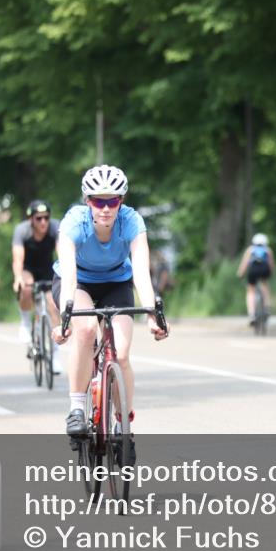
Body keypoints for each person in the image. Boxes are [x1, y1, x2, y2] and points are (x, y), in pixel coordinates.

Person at [51, 165, 168, 456]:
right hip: (77, 283)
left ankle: (122, 424)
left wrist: (153, 312)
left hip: (117, 282)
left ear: (122, 200)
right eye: (97, 201)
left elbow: (141, 272)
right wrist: (66, 319)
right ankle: (77, 408)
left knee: (123, 352)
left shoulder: (131, 222)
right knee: (87, 329)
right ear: (87, 201)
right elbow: (68, 274)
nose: (105, 208)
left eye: (112, 200)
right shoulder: (73, 223)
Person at [12, 200, 60, 348]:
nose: (43, 222)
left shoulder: (55, 228)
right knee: (26, 287)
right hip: (28, 269)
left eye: (46, 217)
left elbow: (62, 254)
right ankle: (26, 322)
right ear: (31, 219)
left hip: (47, 270)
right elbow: (17, 259)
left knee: (53, 303)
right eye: (39, 218)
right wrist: (18, 277)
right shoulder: (22, 230)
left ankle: (55, 354)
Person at [236, 233, 274, 326]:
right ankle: (267, 308)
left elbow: (244, 263)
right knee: (264, 285)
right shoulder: (268, 250)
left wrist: (240, 274)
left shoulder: (250, 250)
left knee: (251, 291)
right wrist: (271, 273)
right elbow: (271, 264)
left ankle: (252, 315)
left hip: (253, 270)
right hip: (264, 269)